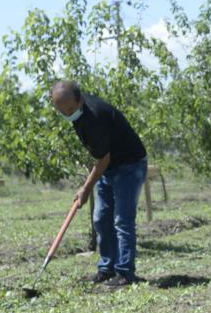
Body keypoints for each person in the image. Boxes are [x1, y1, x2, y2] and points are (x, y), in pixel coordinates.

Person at [50, 80, 148, 287]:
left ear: (80, 100)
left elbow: (103, 159)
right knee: (102, 218)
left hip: (129, 164)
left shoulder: (95, 117)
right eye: (61, 110)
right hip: (110, 167)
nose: (67, 114)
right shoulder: (78, 113)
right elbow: (104, 160)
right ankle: (107, 268)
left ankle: (125, 274)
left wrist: (85, 188)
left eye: (69, 109)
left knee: (122, 221)